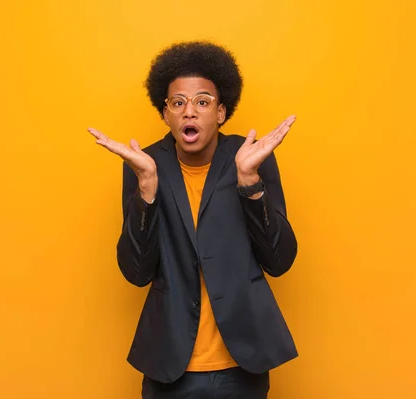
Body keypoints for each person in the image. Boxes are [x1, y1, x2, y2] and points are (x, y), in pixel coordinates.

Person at [88, 40, 298, 399]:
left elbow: (279, 261)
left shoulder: (250, 158)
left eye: (203, 101)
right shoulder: (145, 164)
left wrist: (250, 185)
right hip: (169, 365)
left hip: (242, 364)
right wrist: (148, 191)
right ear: (165, 112)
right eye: (178, 103)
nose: (189, 112)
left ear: (220, 112)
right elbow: (136, 273)